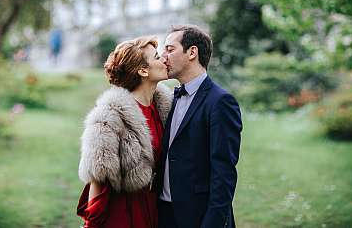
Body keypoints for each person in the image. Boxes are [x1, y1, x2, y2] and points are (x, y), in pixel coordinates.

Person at [77, 36, 173, 228]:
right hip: (123, 214)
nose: (164, 58)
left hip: (158, 208)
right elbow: (98, 179)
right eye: (156, 57)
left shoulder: (165, 108)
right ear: (143, 70)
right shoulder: (107, 118)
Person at [158, 25, 243, 228]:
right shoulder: (172, 98)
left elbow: (224, 173)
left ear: (192, 52)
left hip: (198, 216)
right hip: (165, 214)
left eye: (170, 49)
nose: (163, 56)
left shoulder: (220, 102)